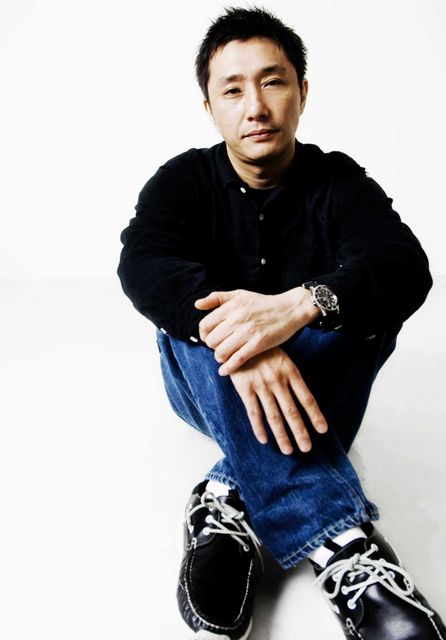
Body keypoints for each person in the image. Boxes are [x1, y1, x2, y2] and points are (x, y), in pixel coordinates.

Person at [117, 7, 445, 640]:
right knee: (197, 316)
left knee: (369, 305)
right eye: (232, 90)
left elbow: (404, 265)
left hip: (315, 384)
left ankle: (228, 497)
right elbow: (143, 262)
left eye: (272, 82)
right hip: (207, 388)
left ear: (302, 91)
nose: (256, 107)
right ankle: (345, 548)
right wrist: (248, 340)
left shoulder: (339, 180)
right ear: (209, 107)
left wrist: (299, 305)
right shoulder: (182, 181)